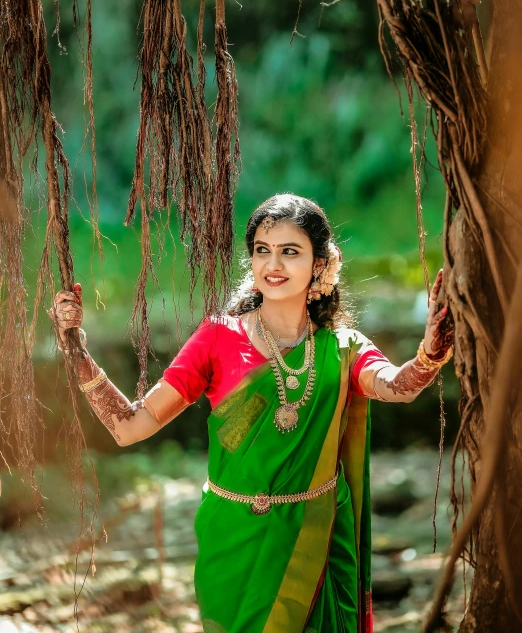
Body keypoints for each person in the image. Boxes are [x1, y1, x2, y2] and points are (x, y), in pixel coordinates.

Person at [49, 193, 454, 633]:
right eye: (263, 250)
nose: (273, 264)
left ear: (320, 264)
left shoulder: (342, 348)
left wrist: (431, 351)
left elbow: (396, 386)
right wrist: (76, 351)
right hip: (234, 541)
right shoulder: (216, 339)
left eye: (290, 252)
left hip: (315, 541)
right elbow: (129, 426)